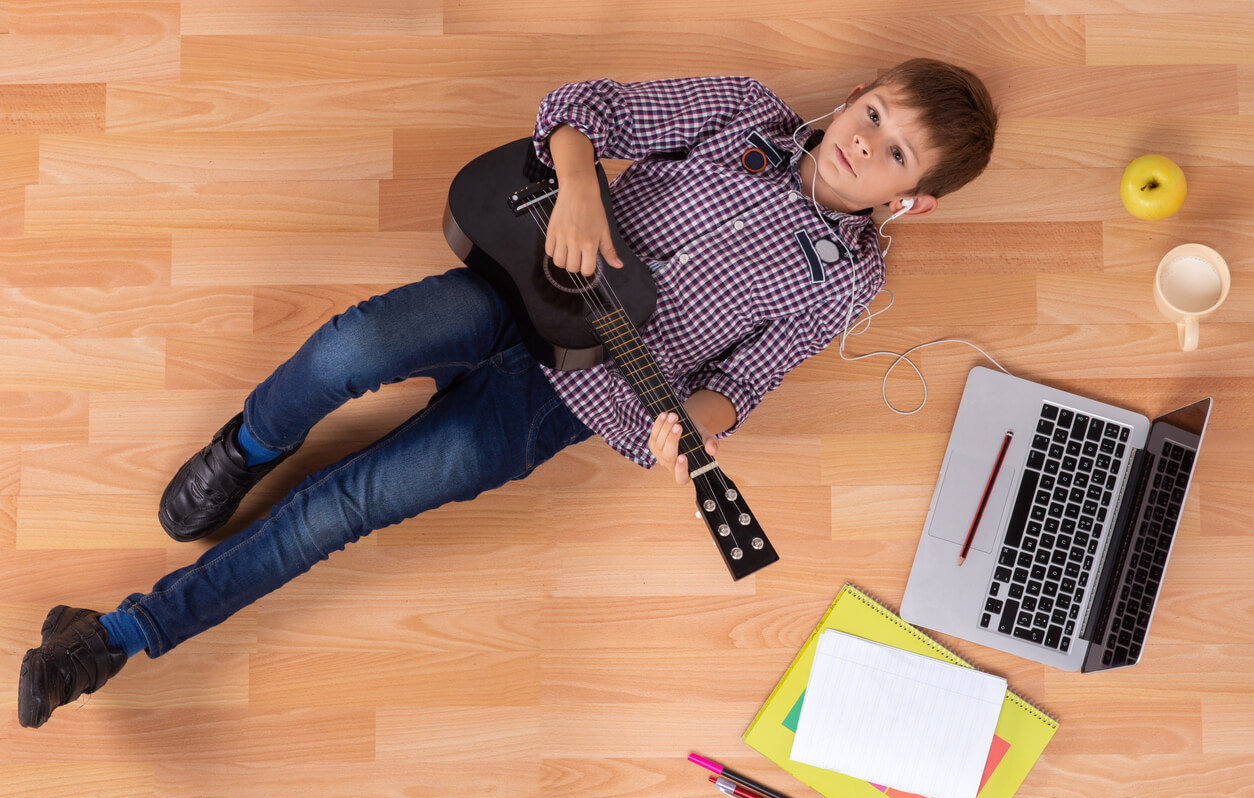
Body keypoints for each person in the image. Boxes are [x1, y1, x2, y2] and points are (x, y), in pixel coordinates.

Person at [17, 58, 997, 729]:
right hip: (519, 281)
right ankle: (253, 444)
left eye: (898, 155)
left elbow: (746, 378)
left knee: (343, 509)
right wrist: (577, 185)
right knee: (351, 347)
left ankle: (111, 636)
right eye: (875, 116)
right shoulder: (745, 109)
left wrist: (689, 430)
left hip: (571, 403)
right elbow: (587, 108)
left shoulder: (851, 285)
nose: (867, 145)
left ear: (914, 204)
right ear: (858, 94)